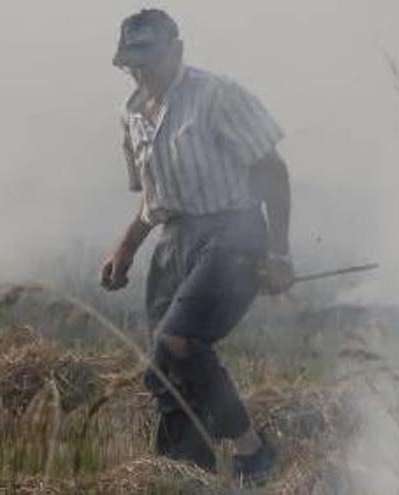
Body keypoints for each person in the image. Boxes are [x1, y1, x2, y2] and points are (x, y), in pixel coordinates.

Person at [99, 8, 293, 479]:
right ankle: (188, 474)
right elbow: (154, 198)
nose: (141, 71)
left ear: (177, 51)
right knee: (163, 367)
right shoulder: (133, 116)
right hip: (174, 241)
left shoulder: (217, 96)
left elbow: (273, 172)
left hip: (233, 232)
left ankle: (253, 452)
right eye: (132, 63)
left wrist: (279, 252)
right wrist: (126, 247)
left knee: (180, 339)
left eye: (149, 59)